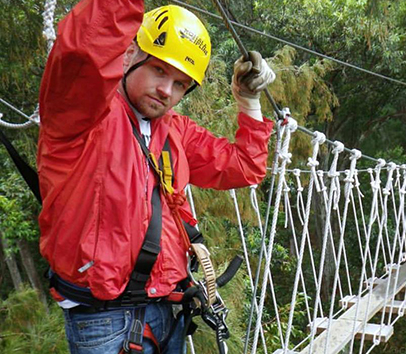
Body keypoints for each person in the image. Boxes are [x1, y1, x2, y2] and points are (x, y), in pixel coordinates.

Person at [37, 0, 276, 352]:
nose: (166, 90)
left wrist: (248, 102)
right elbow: (85, 50)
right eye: (159, 71)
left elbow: (244, 166)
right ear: (130, 53)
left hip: (167, 312)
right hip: (105, 322)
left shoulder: (174, 130)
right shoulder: (83, 116)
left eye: (180, 84)